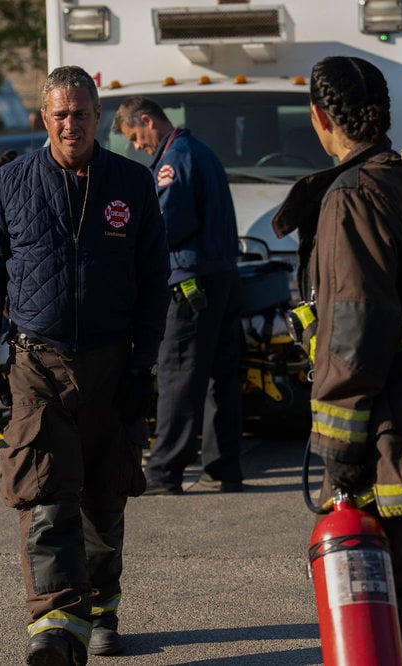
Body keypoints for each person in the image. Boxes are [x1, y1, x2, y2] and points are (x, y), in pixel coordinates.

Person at [271, 56, 402, 666]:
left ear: (319, 118)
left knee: (393, 593)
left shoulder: (352, 200)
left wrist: (339, 449)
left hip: (396, 441)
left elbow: (353, 334)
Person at [0, 66, 170, 664]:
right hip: (37, 364)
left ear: (98, 115)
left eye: (80, 113)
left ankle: (101, 608)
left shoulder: (131, 185)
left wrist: (142, 367)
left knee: (105, 496)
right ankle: (55, 626)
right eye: (59, 114)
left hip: (112, 365)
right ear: (43, 119)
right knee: (49, 495)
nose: (70, 124)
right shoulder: (12, 184)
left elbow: (155, 282)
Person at [113, 96, 244, 495]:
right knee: (220, 377)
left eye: (135, 137)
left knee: (178, 374)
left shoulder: (173, 162)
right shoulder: (199, 151)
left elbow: (167, 226)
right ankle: (224, 468)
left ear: (149, 122)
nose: (136, 146)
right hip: (221, 277)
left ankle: (164, 472)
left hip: (189, 282)